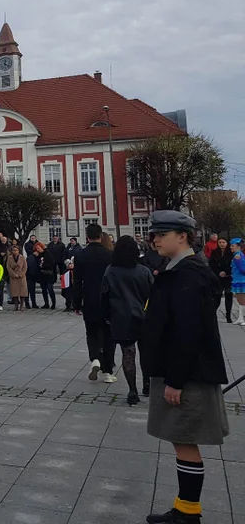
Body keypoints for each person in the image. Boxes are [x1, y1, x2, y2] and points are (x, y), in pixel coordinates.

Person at [143, 211, 228, 524]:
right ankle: (185, 508)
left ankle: (188, 513)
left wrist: (176, 380)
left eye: (161, 234)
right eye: (154, 234)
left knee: (185, 438)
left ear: (183, 236)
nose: (155, 239)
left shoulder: (188, 274)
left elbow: (188, 331)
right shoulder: (180, 269)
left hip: (187, 375)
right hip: (183, 371)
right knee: (182, 440)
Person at [101, 235, 153, 406]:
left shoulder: (111, 271)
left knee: (128, 354)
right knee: (146, 353)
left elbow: (104, 295)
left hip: (121, 317)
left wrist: (106, 316)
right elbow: (153, 295)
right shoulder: (143, 271)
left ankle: (132, 390)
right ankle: (147, 384)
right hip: (144, 317)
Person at [73, 223, 116, 383]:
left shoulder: (81, 255)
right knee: (108, 335)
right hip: (107, 300)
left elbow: (77, 281)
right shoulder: (110, 255)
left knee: (91, 333)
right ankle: (108, 371)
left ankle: (95, 358)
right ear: (101, 235)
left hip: (89, 299)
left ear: (87, 236)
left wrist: (76, 304)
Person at [208, 238, 234, 323]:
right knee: (217, 295)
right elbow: (211, 264)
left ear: (227, 243)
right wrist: (218, 272)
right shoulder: (215, 252)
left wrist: (226, 272)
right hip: (218, 277)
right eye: (220, 242)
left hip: (228, 277)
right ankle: (212, 314)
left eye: (223, 242)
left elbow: (233, 264)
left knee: (228, 295)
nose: (221, 244)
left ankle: (228, 315)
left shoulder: (231, 252)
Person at [34, 242, 58, 310]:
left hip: (48, 274)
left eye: (38, 248)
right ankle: (46, 303)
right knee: (44, 290)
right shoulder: (39, 255)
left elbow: (52, 262)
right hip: (42, 275)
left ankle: (53, 303)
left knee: (50, 289)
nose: (37, 249)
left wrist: (44, 265)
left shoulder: (47, 253)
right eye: (36, 249)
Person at [6, 245, 27, 312]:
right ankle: (16, 305)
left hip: (21, 277)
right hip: (13, 277)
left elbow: (25, 267)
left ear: (18, 251)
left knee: (22, 292)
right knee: (14, 292)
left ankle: (21, 306)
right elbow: (8, 267)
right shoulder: (9, 258)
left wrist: (21, 274)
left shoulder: (22, 257)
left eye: (16, 250)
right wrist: (13, 274)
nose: (14, 252)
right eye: (13, 250)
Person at [230, 239, 245, 326]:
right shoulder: (238, 255)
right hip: (238, 279)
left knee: (242, 300)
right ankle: (240, 317)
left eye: (232, 245)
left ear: (238, 247)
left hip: (241, 280)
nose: (231, 247)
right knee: (240, 300)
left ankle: (242, 318)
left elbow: (242, 269)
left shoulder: (237, 256)